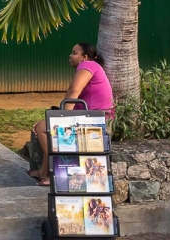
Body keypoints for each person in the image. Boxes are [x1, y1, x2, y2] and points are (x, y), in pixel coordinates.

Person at [28, 43, 114, 186]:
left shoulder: (88, 65)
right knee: (46, 125)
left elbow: (74, 91)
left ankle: (55, 171)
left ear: (84, 57)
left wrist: (60, 120)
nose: (70, 55)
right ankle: (43, 172)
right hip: (94, 118)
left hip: (97, 122)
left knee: (43, 128)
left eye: (74, 53)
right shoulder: (92, 67)